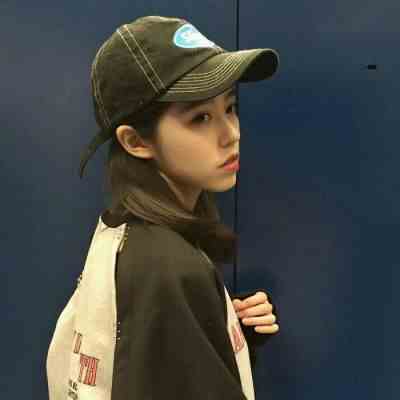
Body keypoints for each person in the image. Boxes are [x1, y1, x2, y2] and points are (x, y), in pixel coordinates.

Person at [46, 15, 280, 400]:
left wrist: (219, 333)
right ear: (136, 141)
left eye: (230, 108)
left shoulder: (122, 232)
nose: (231, 133)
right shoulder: (170, 269)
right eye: (200, 118)